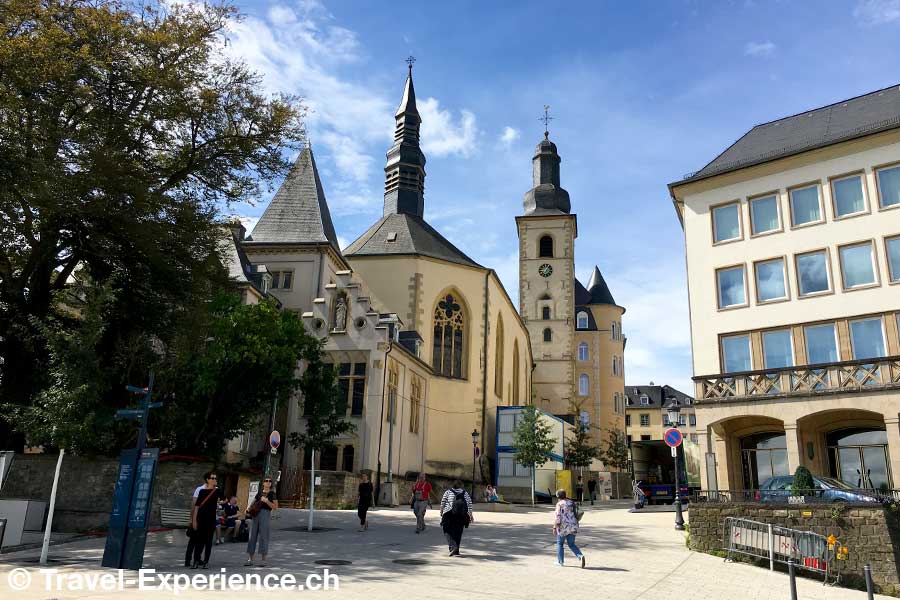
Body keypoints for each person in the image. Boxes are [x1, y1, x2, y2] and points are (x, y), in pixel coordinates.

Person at [188, 472, 221, 569]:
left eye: (215, 478)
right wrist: (194, 520)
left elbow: (224, 500)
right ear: (207, 479)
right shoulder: (201, 491)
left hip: (210, 519)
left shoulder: (217, 491)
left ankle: (206, 561)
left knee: (208, 541)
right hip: (200, 519)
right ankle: (196, 561)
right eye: (212, 478)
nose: (215, 479)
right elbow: (197, 507)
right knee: (199, 541)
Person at [245, 477, 277, 567]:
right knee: (252, 536)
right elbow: (253, 501)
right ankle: (250, 559)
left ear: (271, 483)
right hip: (256, 514)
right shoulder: (259, 493)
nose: (268, 482)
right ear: (263, 483)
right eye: (266, 481)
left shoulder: (272, 494)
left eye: (270, 481)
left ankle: (263, 560)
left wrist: (267, 501)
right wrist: (248, 508)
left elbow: (275, 507)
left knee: (264, 536)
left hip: (265, 514)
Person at [439, 480, 473, 557]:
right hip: (461, 515)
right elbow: (469, 504)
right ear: (461, 486)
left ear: (453, 485)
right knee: (458, 532)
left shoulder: (448, 492)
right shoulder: (465, 493)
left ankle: (453, 547)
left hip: (449, 513)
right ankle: (456, 550)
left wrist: (441, 512)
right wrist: (471, 515)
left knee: (446, 530)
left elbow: (443, 502)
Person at [553, 489, 585, 568]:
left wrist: (554, 527)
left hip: (563, 527)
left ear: (558, 496)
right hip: (573, 526)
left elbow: (558, 516)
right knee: (571, 544)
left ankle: (560, 562)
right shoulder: (571, 502)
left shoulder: (559, 504)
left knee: (560, 544)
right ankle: (580, 556)